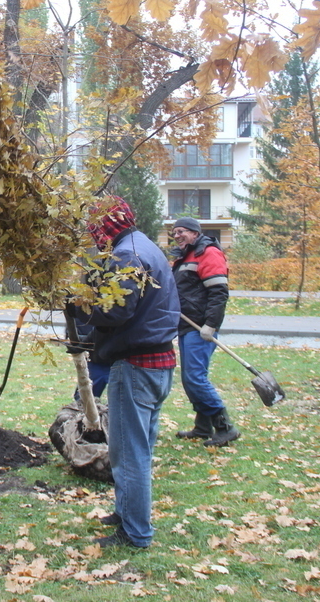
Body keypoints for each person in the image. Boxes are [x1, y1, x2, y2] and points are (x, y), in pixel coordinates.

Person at [75, 196, 180, 549]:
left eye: (95, 229)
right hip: (158, 363)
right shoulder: (144, 245)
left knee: (128, 455)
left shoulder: (127, 254)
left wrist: (81, 303)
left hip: (136, 366)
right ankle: (126, 513)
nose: (94, 238)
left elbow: (116, 310)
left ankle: (135, 533)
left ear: (106, 226)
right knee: (139, 450)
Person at [169, 217, 239, 447]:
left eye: (181, 231)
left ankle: (225, 427)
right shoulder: (185, 257)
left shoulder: (208, 253)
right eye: (174, 232)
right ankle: (202, 427)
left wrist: (211, 325)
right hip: (188, 326)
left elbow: (219, 292)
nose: (177, 235)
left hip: (200, 328)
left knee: (194, 378)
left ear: (195, 232)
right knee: (192, 378)